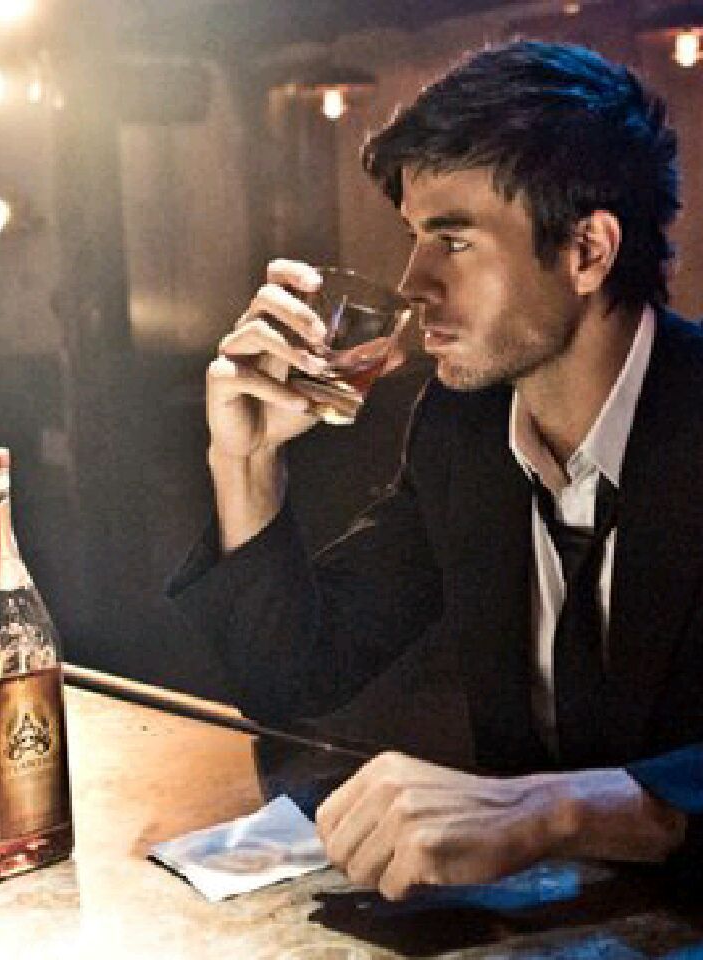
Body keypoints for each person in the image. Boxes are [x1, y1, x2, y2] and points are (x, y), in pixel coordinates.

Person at [167, 39, 703, 900]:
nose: (412, 281)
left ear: (588, 250)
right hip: (543, 931)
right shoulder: (462, 427)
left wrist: (553, 809)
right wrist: (247, 461)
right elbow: (296, 674)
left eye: (452, 240)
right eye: (414, 237)